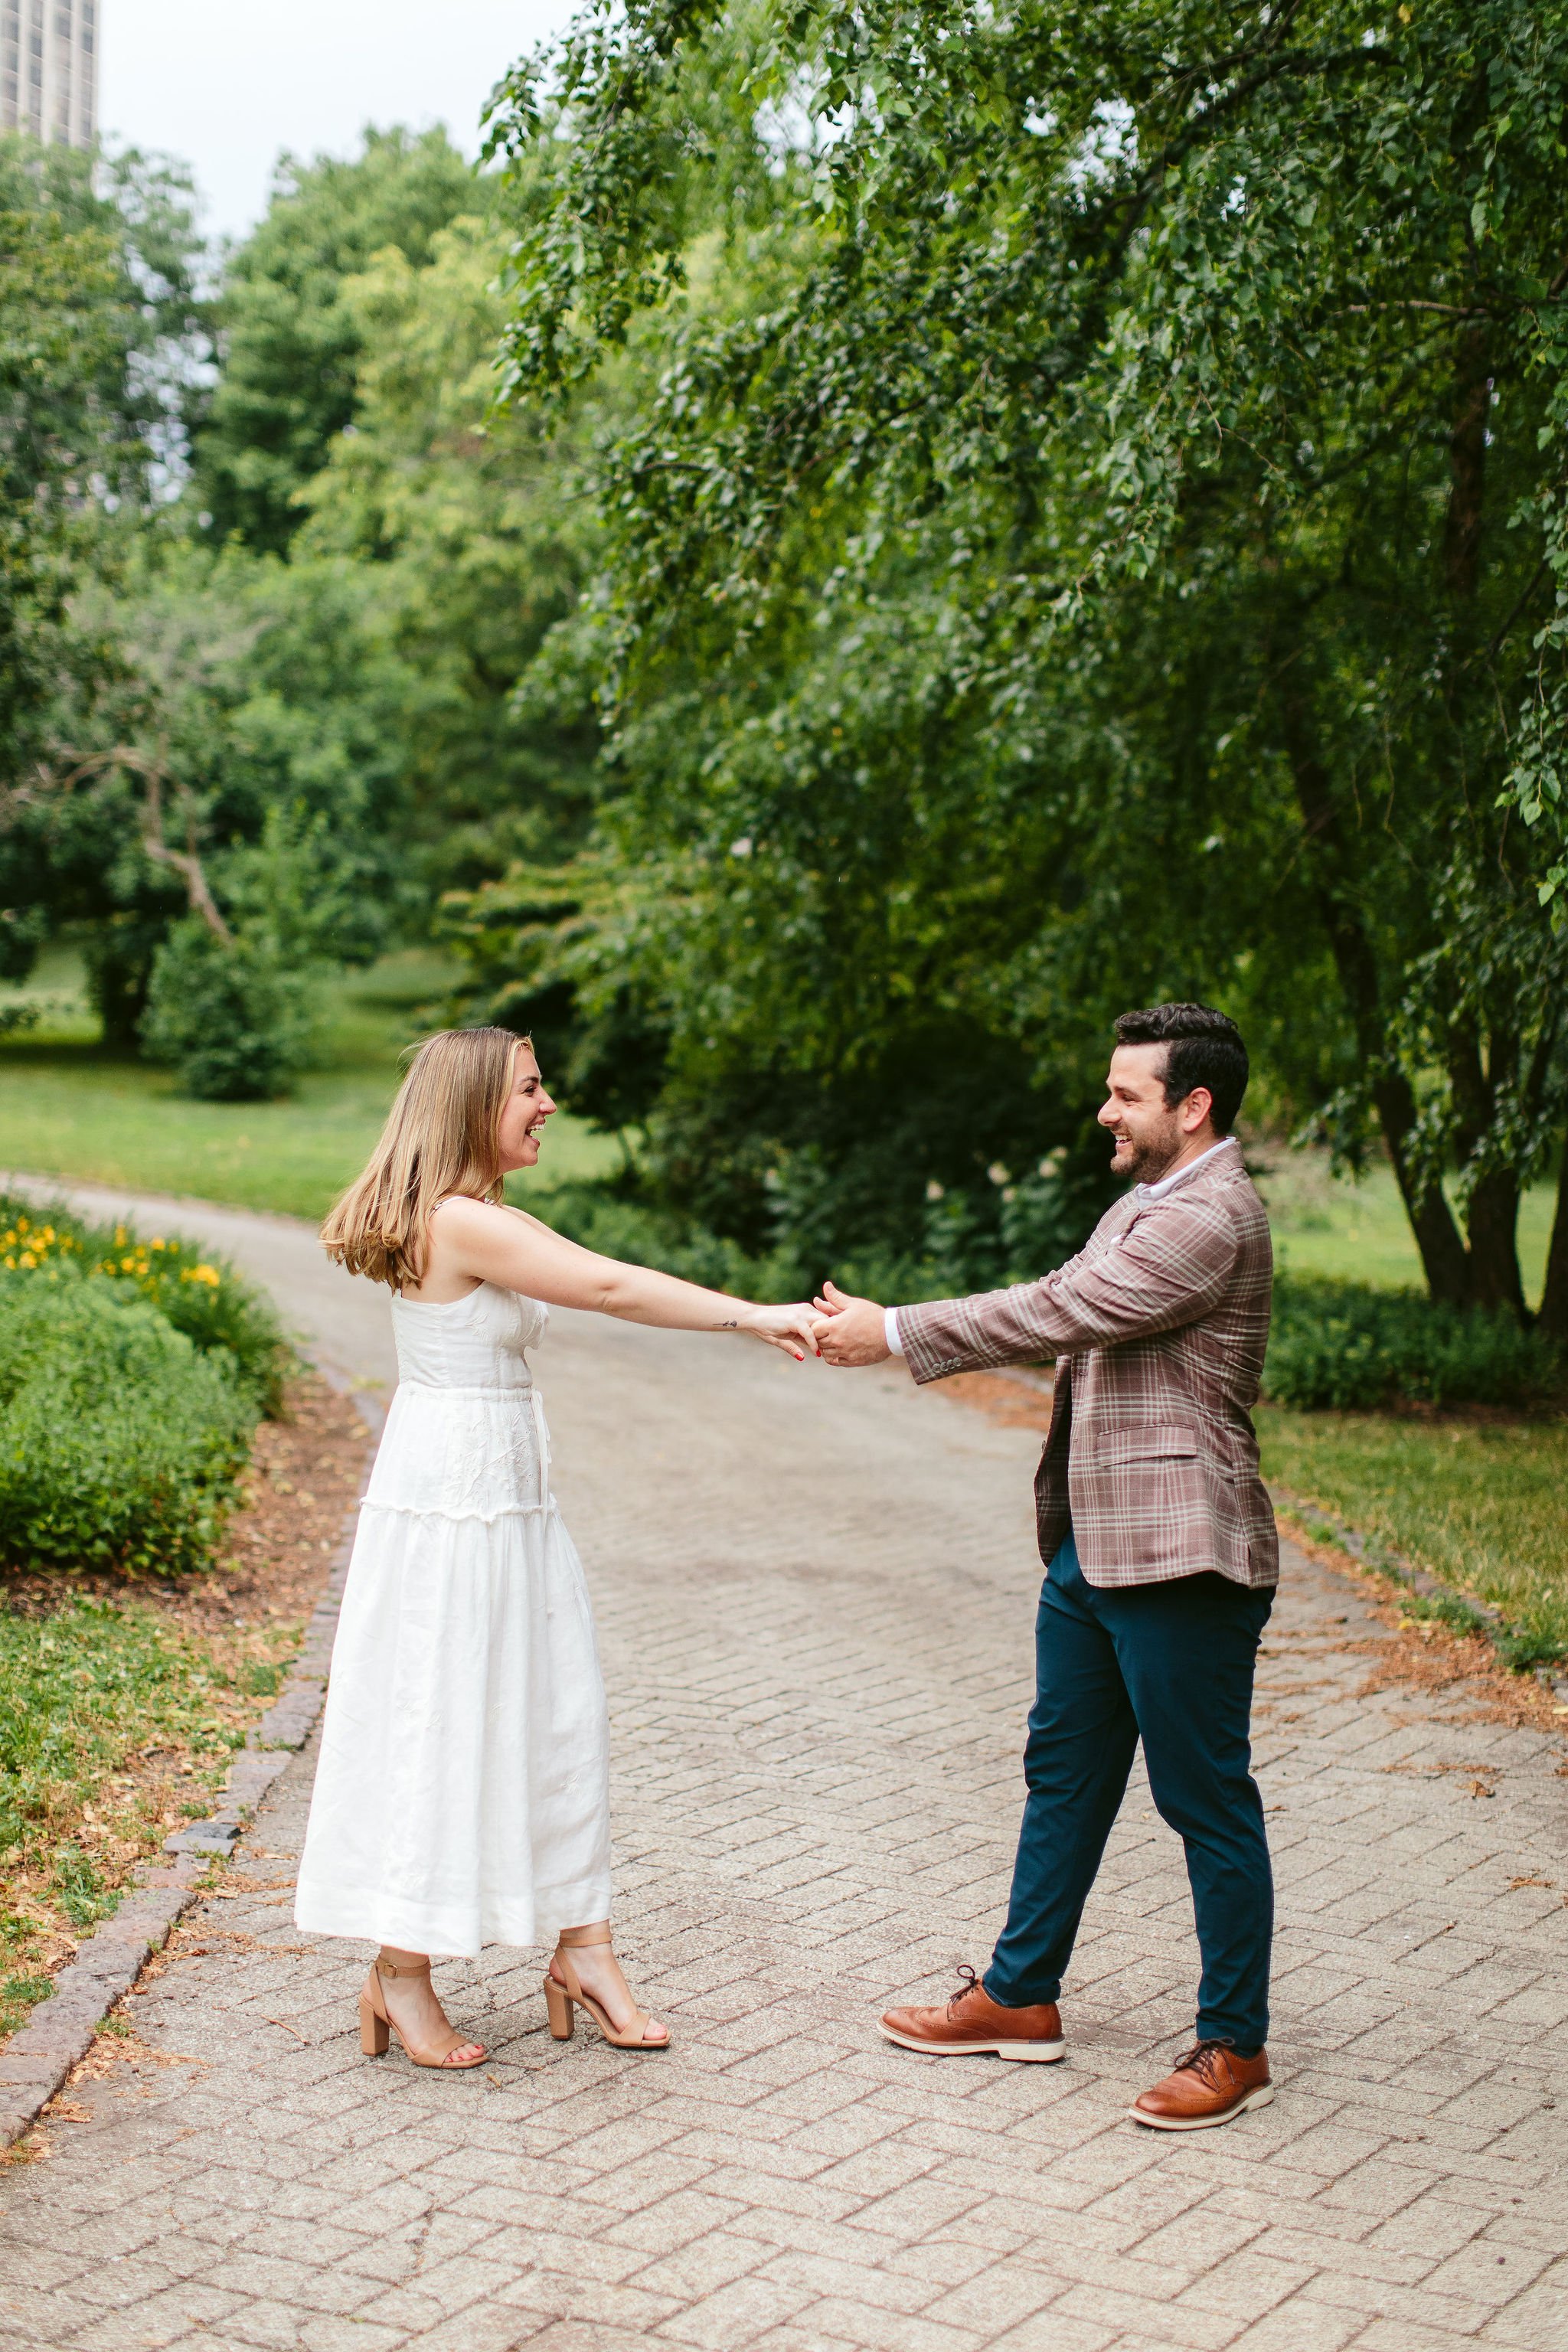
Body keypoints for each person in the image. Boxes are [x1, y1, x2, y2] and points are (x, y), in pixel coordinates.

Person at [296, 1026, 818, 2069]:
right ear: (474, 1103)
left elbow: (590, 1275)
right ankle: (400, 1973)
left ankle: (586, 1947)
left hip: (505, 1502)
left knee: (552, 1710)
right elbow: (614, 1288)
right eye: (530, 1089)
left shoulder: (483, 1217)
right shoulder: (459, 1224)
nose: (549, 1104)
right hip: (457, 1514)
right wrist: (756, 1316)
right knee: (448, 1719)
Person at [812, 1003, 1279, 2131]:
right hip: (1092, 1547)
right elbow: (1068, 1311)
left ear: (1192, 1106)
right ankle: (1020, 1997)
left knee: (1202, 1797)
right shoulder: (1143, 1201)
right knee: (1061, 1775)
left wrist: (900, 1331)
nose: (1104, 1109)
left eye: (1126, 1093)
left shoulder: (1210, 1215)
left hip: (1180, 1551)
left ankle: (1234, 2044)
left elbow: (1065, 1309)